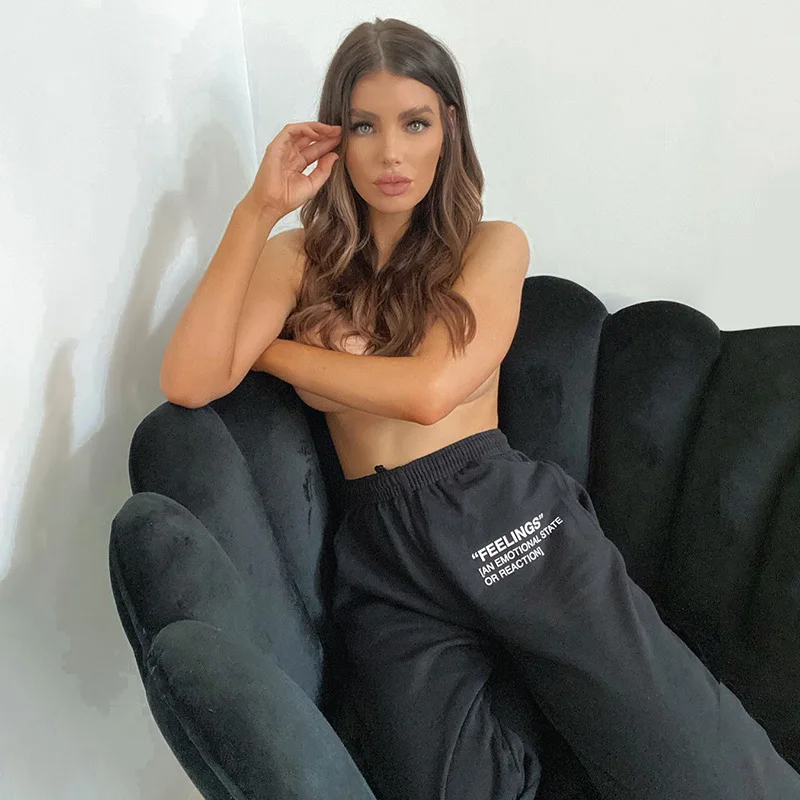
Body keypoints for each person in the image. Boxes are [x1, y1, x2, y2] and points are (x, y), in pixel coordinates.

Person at [162, 16, 800, 800]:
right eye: (364, 126)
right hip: (382, 555)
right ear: (336, 137)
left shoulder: (490, 245)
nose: (390, 154)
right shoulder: (297, 257)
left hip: (500, 515)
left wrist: (268, 353)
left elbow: (428, 392)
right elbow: (189, 380)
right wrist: (258, 209)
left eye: (415, 123)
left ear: (449, 130)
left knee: (692, 758)